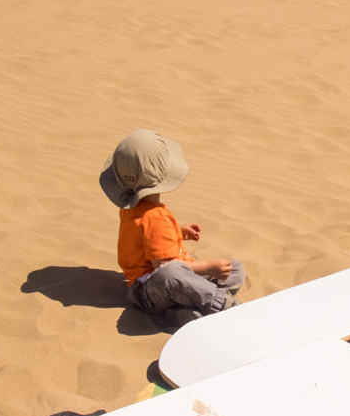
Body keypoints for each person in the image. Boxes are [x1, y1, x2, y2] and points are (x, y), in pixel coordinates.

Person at [99, 129, 244, 321]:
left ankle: (184, 308)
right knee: (173, 273)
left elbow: (145, 237)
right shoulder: (156, 217)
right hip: (148, 291)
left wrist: (178, 231)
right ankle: (223, 305)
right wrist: (208, 267)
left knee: (235, 269)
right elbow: (164, 267)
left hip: (166, 285)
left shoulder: (129, 206)